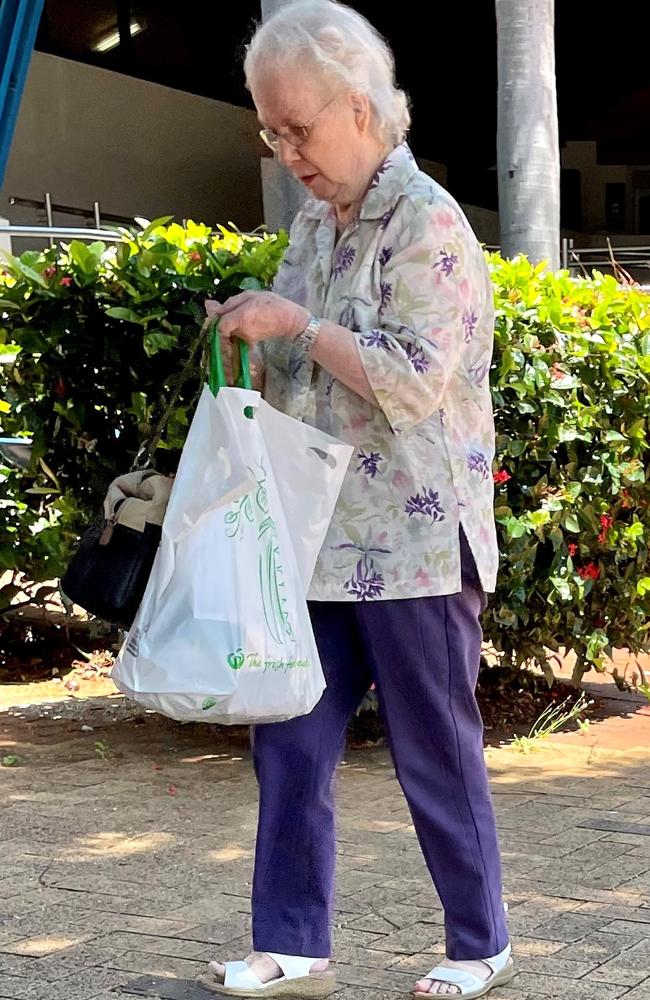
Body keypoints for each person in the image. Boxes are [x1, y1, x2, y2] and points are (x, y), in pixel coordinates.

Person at [200, 1, 512, 996]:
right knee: (288, 739)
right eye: (270, 130)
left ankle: (479, 944)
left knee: (436, 754)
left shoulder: (429, 223)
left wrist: (294, 321)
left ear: (362, 111)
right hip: (319, 535)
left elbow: (414, 379)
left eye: (297, 127)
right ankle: (290, 937)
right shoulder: (316, 224)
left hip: (416, 542)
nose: (285, 150)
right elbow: (302, 372)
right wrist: (251, 335)